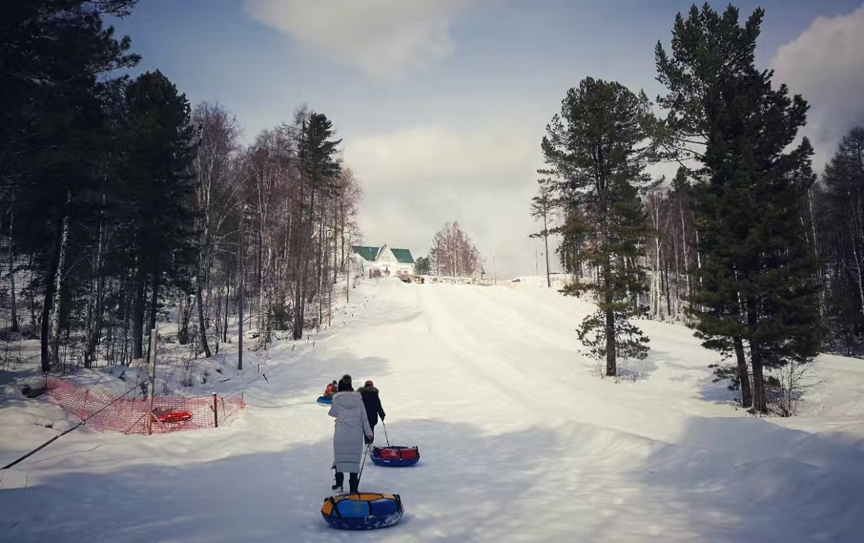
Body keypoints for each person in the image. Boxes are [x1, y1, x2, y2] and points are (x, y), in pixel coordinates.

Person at [328, 376, 373, 493]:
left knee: (339, 459)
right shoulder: (359, 400)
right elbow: (364, 418)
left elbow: (332, 413)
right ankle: (353, 488)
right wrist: (369, 433)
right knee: (354, 461)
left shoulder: (337, 399)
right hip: (356, 435)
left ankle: (339, 484)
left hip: (341, 434)